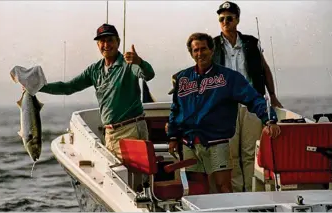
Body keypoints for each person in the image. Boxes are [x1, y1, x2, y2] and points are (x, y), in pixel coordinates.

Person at [167, 32, 281, 193]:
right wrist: (172, 137)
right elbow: (176, 109)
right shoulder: (183, 78)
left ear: (212, 50)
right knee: (196, 188)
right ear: (191, 53)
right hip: (190, 143)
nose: (200, 53)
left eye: (204, 49)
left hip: (217, 141)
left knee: (224, 187)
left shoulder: (229, 77)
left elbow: (254, 98)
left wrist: (269, 119)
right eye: (196, 50)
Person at [38, 23, 155, 159]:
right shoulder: (94, 70)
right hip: (110, 134)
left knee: (135, 178)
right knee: (117, 176)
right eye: (102, 41)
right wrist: (39, 87)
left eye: (110, 40)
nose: (106, 44)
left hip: (131, 130)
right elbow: (68, 87)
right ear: (97, 45)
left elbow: (148, 75)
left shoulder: (128, 64)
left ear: (118, 42)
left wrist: (139, 62)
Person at [213, 1, 283, 192]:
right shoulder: (212, 45)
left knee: (251, 151)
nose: (225, 22)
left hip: (251, 105)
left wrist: (273, 96)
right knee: (231, 154)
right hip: (225, 107)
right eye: (221, 19)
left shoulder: (251, 43)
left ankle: (253, 193)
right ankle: (238, 195)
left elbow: (264, 68)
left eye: (229, 18)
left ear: (237, 20)